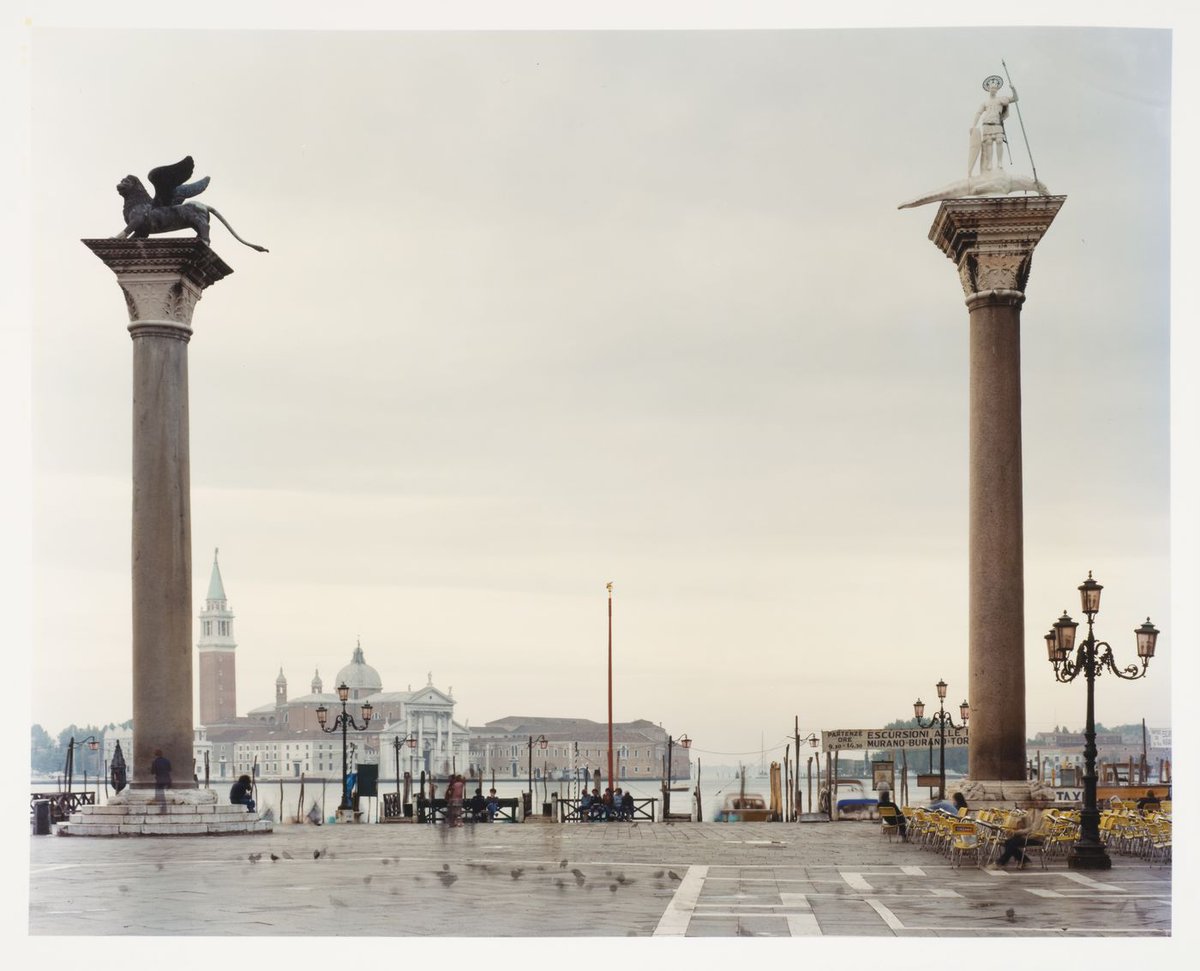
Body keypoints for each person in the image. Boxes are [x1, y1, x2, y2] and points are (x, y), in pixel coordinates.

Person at [968, 74, 1017, 176]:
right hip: (987, 124)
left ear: (997, 89)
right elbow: (978, 113)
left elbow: (1015, 99)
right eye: (991, 88)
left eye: (995, 88)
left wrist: (1013, 89)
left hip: (997, 123)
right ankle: (990, 163)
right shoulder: (985, 102)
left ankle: (999, 163)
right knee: (989, 143)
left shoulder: (1001, 100)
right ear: (988, 89)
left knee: (999, 141)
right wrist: (973, 125)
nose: (993, 89)